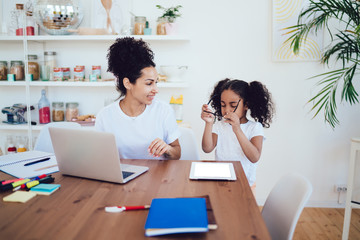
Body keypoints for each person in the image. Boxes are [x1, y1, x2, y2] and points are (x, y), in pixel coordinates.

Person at [95, 37, 181, 160]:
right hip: (121, 177)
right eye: (149, 83)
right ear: (128, 83)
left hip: (157, 177)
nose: (155, 89)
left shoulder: (163, 111)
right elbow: (100, 157)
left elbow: (177, 153)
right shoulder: (105, 116)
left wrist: (167, 149)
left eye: (156, 82)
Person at [201, 78, 274, 193]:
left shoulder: (254, 128)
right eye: (223, 105)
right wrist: (209, 124)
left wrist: (237, 129)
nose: (226, 110)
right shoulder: (220, 126)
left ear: (246, 105)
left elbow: (254, 157)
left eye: (233, 105)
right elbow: (207, 148)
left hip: (244, 186)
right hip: (221, 183)